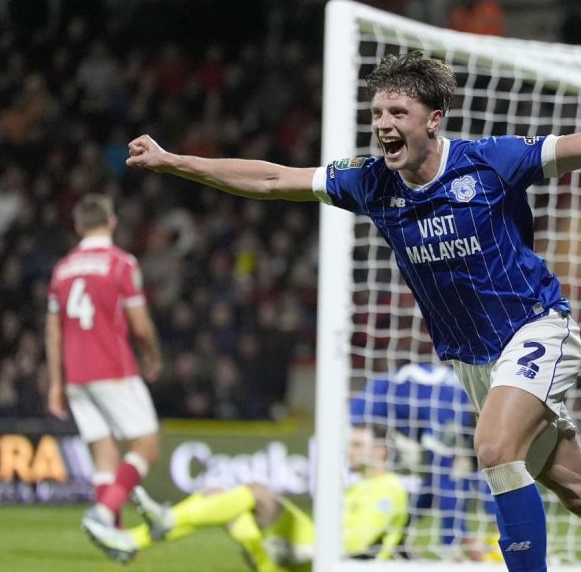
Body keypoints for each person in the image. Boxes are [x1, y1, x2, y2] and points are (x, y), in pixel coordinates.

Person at [126, 51, 581, 572]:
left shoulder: (489, 162)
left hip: (538, 328)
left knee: (493, 450)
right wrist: (176, 161)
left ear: (433, 120)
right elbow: (275, 178)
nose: (383, 125)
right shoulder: (370, 183)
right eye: (378, 113)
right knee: (579, 490)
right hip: (476, 361)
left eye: (397, 114)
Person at [45, 193, 164, 563]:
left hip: (76, 377)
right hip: (113, 370)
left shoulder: (62, 269)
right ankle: (101, 514)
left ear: (78, 226)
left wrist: (55, 382)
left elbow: (53, 329)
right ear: (111, 222)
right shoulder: (121, 263)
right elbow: (140, 325)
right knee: (146, 447)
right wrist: (153, 356)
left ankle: (116, 538)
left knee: (104, 455)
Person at [118, 425, 409, 570]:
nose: (350, 451)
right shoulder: (358, 486)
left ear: (381, 451)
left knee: (255, 493)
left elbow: (356, 542)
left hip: (335, 562)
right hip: (318, 547)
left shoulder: (389, 490)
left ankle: (161, 524)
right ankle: (135, 538)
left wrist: (307, 552)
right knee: (220, 498)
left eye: (358, 445)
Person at [351, 361, 498, 561]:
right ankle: (451, 547)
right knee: (446, 476)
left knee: (460, 473)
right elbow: (444, 478)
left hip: (408, 412)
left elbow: (477, 476)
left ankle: (401, 536)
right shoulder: (450, 405)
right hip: (370, 413)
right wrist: (466, 539)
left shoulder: (463, 398)